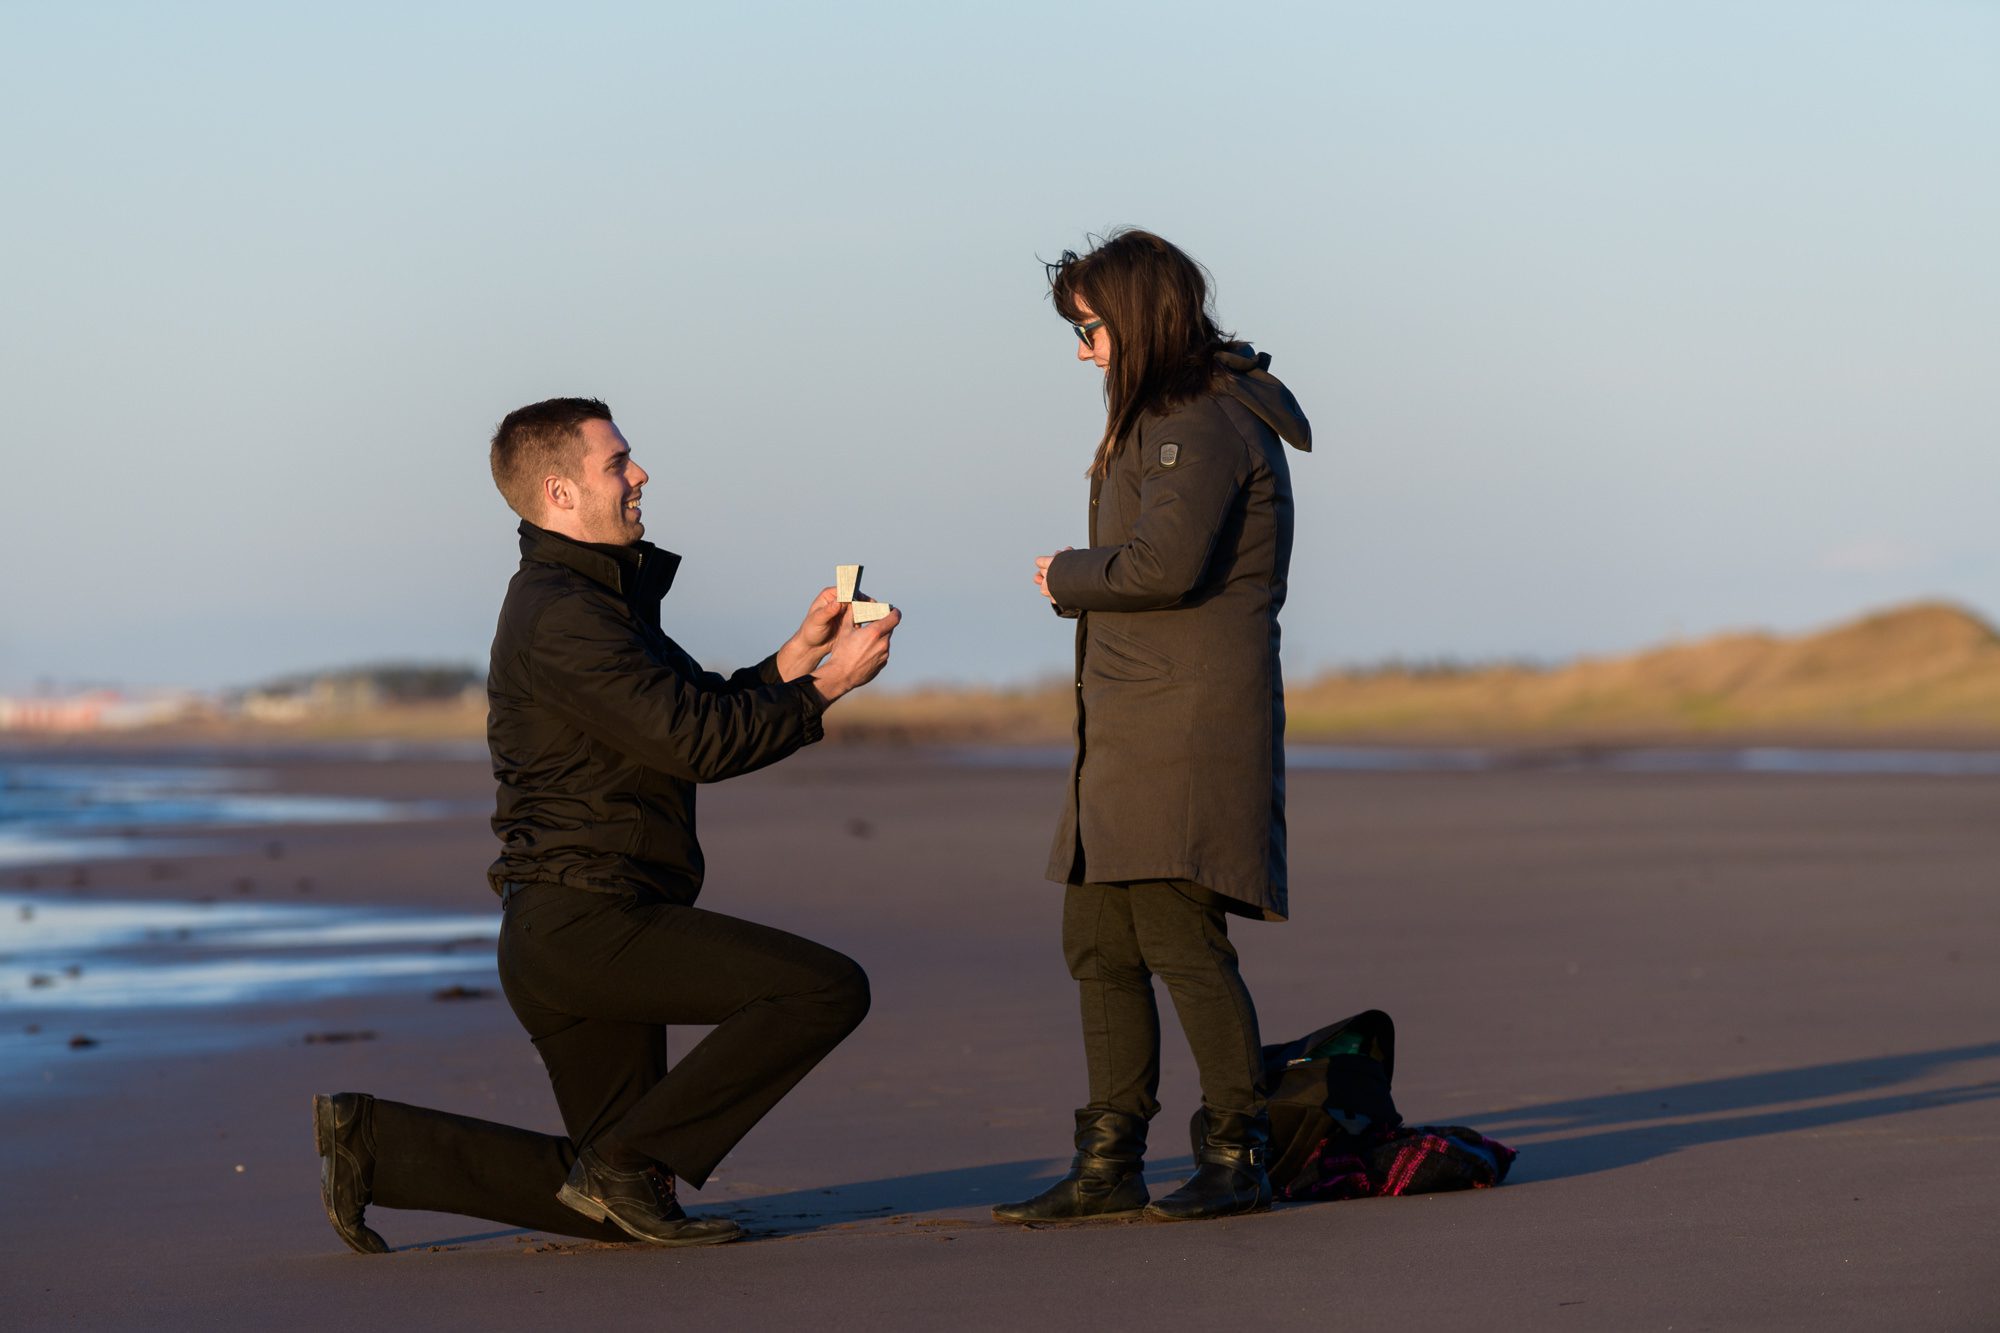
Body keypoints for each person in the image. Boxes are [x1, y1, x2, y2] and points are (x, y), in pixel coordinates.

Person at [313, 396, 900, 1250]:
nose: (640, 475)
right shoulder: (563, 613)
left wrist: (792, 660)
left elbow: (690, 707)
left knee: (621, 1193)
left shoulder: (595, 603)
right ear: (558, 491)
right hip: (587, 923)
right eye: (617, 463)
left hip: (572, 923)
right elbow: (698, 742)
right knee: (823, 989)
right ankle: (616, 1163)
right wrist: (827, 690)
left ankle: (376, 1147)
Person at [992, 229, 1313, 1224]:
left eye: (1089, 328)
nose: (1083, 350)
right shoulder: (1166, 412)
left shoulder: (1194, 416)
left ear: (1135, 319)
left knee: (1178, 933)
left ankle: (1236, 1148)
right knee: (1096, 941)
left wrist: (1063, 576)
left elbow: (1162, 566)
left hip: (1183, 723)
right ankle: (1107, 1159)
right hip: (1129, 723)